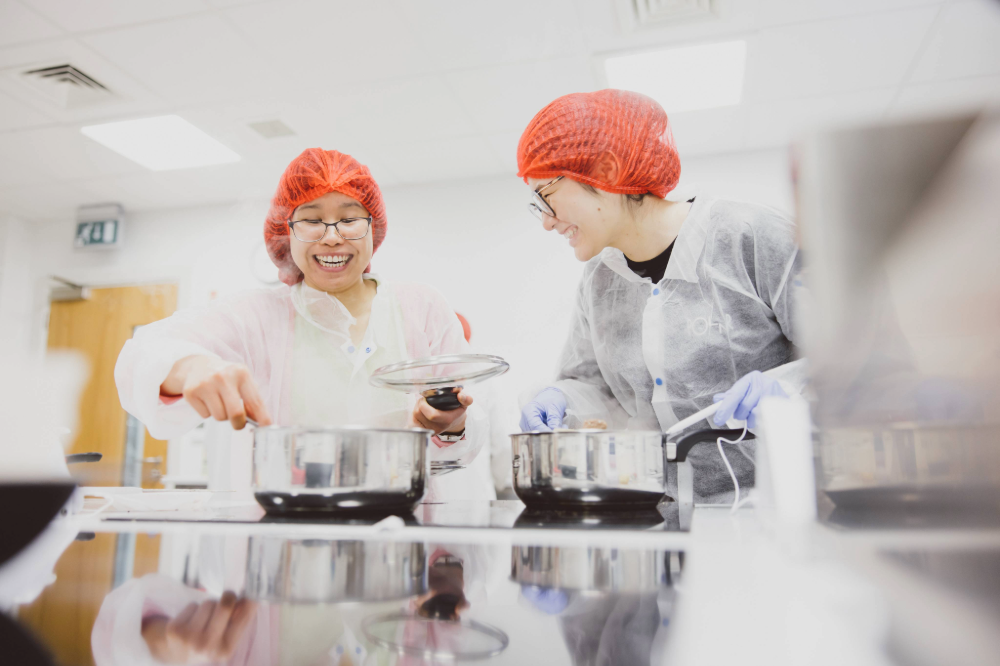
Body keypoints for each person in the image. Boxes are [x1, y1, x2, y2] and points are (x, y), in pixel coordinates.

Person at [116, 148, 493, 500]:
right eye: (312, 220)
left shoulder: (421, 308)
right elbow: (142, 355)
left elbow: (469, 434)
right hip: (284, 532)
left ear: (373, 227)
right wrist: (188, 367)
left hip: (403, 528)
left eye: (349, 219)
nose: (332, 237)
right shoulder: (256, 316)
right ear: (286, 231)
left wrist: (452, 424)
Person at [516, 90, 806, 503]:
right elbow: (593, 386)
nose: (546, 222)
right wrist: (563, 397)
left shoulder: (750, 236)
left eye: (546, 194)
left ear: (606, 170)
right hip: (658, 512)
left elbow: (853, 359)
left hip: (773, 509)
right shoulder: (599, 281)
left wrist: (789, 390)